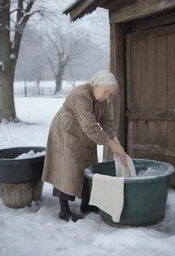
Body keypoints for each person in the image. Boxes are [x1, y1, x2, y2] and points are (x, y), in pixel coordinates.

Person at [41, 70, 127, 222]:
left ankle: (87, 205)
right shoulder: (80, 95)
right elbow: (90, 125)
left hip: (86, 134)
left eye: (110, 94)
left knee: (89, 167)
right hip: (67, 132)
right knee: (68, 168)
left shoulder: (102, 100)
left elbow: (107, 121)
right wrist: (111, 144)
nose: (107, 96)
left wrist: (115, 139)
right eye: (105, 92)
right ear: (95, 85)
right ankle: (64, 210)